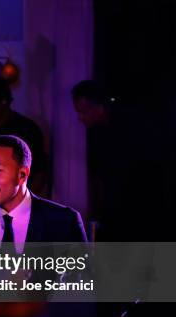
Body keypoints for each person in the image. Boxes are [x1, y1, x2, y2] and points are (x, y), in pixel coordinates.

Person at [71, 80, 165, 241]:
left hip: (139, 206)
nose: (79, 118)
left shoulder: (130, 129)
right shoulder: (96, 134)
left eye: (83, 112)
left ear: (99, 108)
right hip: (114, 207)